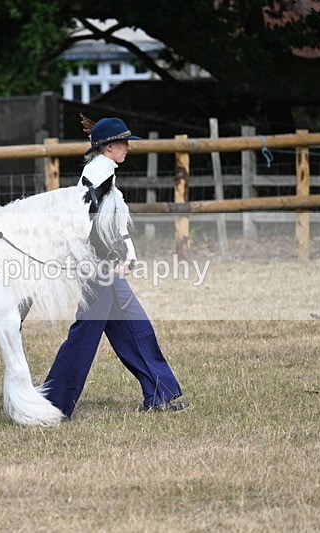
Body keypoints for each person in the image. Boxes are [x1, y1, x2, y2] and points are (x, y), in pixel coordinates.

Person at [42, 116, 190, 418]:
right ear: (109, 147)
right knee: (85, 336)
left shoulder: (104, 171)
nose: (128, 148)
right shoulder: (97, 175)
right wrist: (112, 259)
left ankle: (159, 394)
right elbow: (88, 223)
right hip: (99, 269)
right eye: (124, 143)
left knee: (135, 327)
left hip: (104, 267)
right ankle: (52, 404)